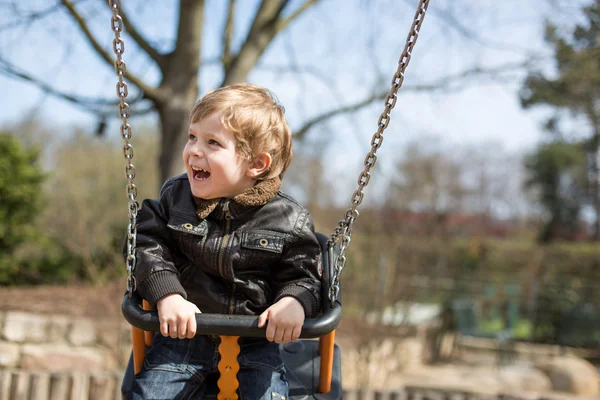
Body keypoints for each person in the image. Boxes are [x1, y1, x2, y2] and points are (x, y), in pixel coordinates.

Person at [127, 83, 323, 400]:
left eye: (212, 142)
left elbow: (307, 272)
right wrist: (168, 296)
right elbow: (145, 246)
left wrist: (293, 302)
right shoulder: (174, 199)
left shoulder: (288, 219)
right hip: (184, 338)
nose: (193, 150)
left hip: (256, 342)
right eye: (192, 137)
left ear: (256, 165)